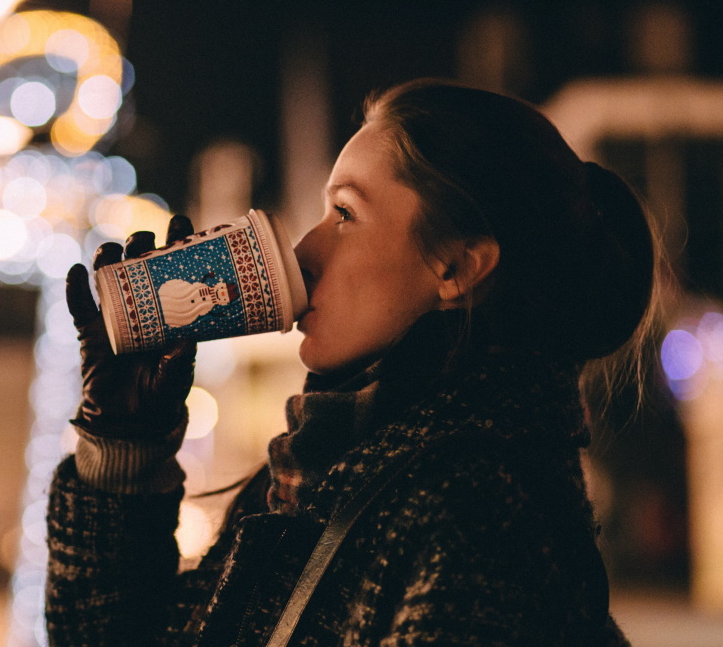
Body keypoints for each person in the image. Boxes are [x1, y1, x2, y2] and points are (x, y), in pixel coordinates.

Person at [46, 79, 659, 646]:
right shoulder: (323, 470)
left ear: (457, 267)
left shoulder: (475, 514)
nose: (305, 251)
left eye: (345, 213)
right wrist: (125, 447)